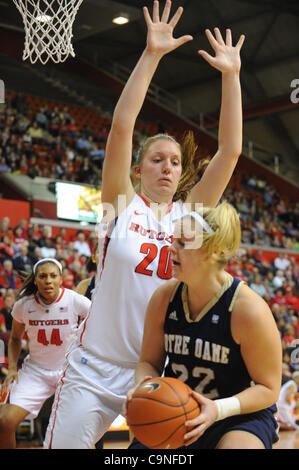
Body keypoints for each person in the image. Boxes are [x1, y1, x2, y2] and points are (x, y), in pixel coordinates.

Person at [44, 0, 245, 449]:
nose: (168, 168)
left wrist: (231, 76)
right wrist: (151, 54)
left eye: (175, 162)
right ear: (139, 170)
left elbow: (230, 150)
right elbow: (121, 125)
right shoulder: (121, 205)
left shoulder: (188, 215)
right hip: (94, 368)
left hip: (158, 373)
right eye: (157, 160)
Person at [127, 202, 282, 449]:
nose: (171, 249)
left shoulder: (247, 310)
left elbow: (269, 388)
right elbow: (149, 363)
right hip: (177, 413)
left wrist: (218, 409)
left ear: (212, 251)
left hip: (237, 416)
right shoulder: (164, 298)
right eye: (172, 240)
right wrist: (144, 387)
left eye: (182, 243)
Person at [0, 258, 91, 448]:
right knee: (5, 422)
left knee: (83, 427)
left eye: (53, 276)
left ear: (60, 279)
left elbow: (98, 324)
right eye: (43, 276)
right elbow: (15, 338)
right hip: (36, 372)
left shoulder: (75, 300)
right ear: (35, 280)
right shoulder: (23, 305)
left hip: (70, 371)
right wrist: (12, 369)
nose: (48, 280)